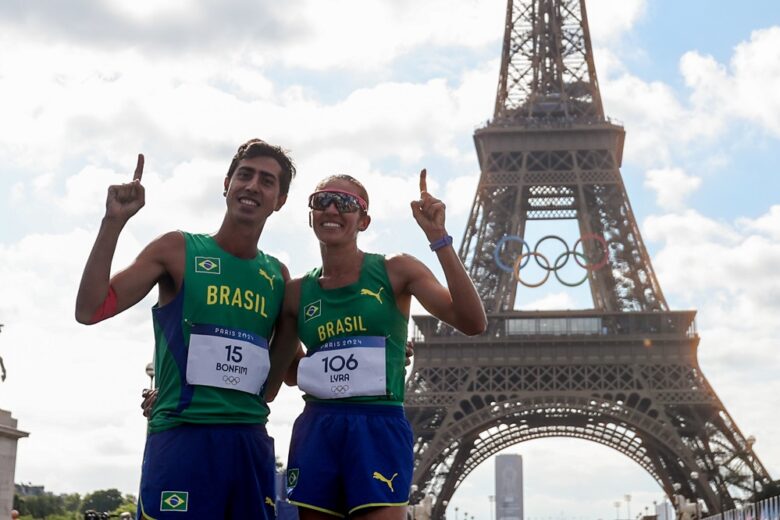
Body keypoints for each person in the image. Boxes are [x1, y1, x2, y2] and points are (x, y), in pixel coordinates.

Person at [75, 139, 296, 519]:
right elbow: (91, 309)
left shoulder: (278, 276)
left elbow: (284, 374)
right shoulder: (177, 250)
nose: (252, 186)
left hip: (248, 441)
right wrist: (113, 222)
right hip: (182, 437)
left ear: (280, 200)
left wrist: (384, 352)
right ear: (226, 183)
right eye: (245, 175)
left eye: (267, 181)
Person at [265, 170, 487, 520]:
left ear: (364, 220)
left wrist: (439, 238)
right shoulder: (295, 292)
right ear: (311, 215)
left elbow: (473, 322)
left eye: (346, 203)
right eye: (322, 201)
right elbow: (283, 377)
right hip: (319, 427)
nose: (333, 209)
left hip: (377, 426)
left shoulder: (396, 270)